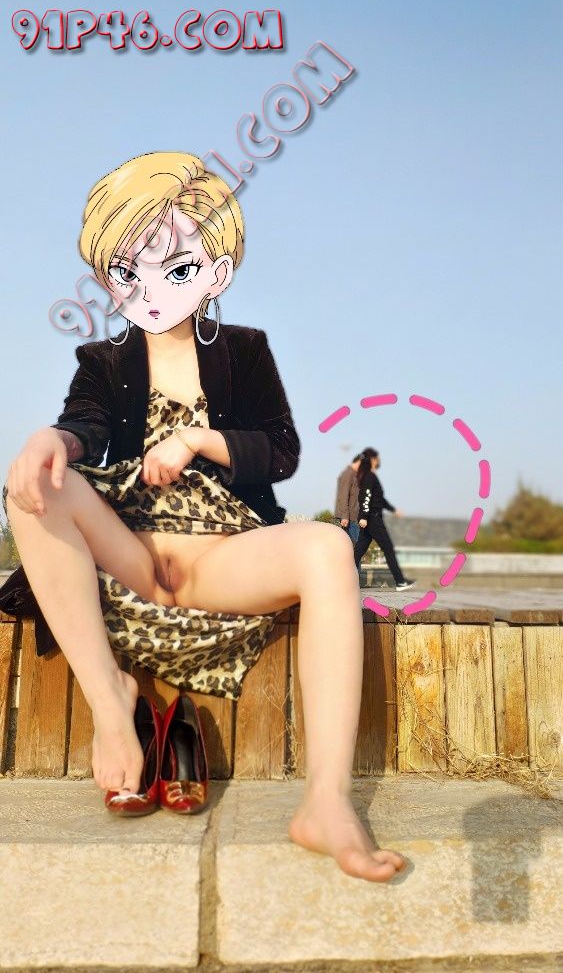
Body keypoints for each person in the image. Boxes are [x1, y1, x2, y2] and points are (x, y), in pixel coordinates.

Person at [0, 151, 405, 884]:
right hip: (128, 554)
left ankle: (327, 803)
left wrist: (197, 439)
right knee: (32, 480)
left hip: (222, 558)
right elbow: (84, 425)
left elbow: (279, 451)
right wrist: (51, 439)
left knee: (325, 547)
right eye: (127, 271)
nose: (150, 288)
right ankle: (112, 708)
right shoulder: (103, 360)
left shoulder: (244, 352)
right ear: (107, 279)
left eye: (177, 268)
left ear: (215, 273)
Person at [353, 447, 416, 591]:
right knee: (388, 549)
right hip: (372, 519)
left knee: (358, 551)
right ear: (373, 459)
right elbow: (366, 497)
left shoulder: (369, 476)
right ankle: (400, 582)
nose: (379, 460)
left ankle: (342, 578)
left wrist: (393, 510)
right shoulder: (369, 476)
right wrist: (364, 516)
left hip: (370, 519)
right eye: (377, 457)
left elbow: (379, 499)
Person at [334, 453, 362, 545]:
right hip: (349, 519)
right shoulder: (348, 474)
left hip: (354, 517)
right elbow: (343, 495)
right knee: (355, 548)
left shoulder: (354, 475)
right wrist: (345, 516)